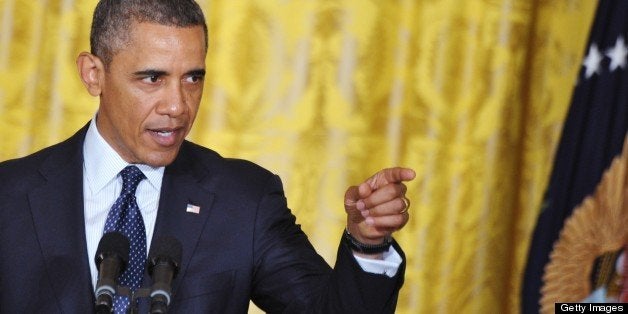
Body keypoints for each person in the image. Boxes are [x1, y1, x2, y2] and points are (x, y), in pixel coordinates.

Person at [0, 0, 416, 313]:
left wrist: (368, 244)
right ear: (94, 74)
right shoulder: (9, 197)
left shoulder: (244, 200)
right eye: (152, 78)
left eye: (193, 78)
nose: (178, 106)